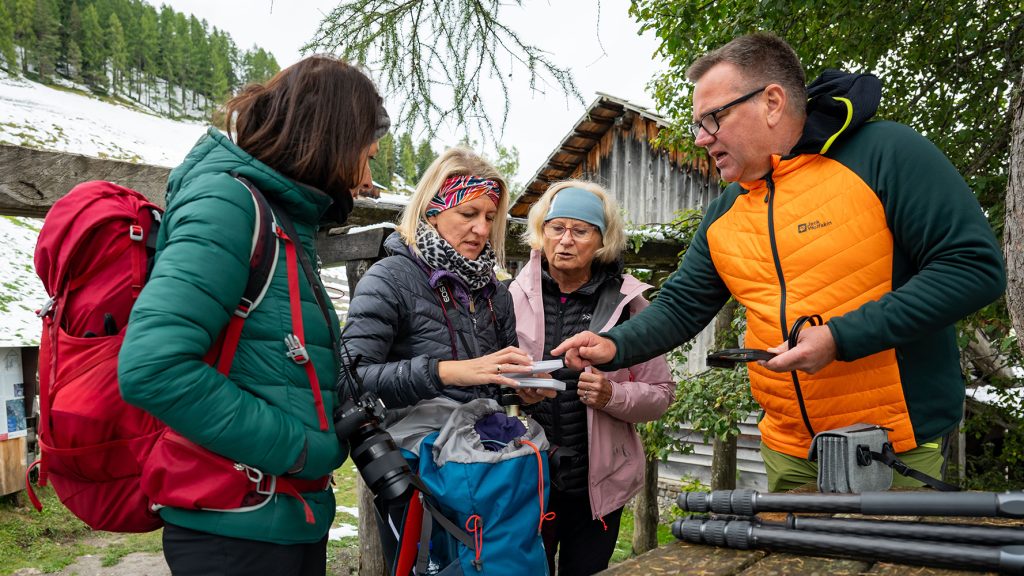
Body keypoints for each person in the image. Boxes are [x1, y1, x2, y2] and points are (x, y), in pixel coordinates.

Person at [553, 32, 1006, 492]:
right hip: (788, 449)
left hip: (894, 447)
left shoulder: (885, 153)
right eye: (698, 124)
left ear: (772, 101)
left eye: (713, 118)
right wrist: (615, 346)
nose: (701, 138)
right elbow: (682, 305)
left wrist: (839, 337)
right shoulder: (727, 209)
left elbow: (972, 267)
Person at [118, 56, 389, 575]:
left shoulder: (278, 214)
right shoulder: (229, 203)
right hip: (235, 529)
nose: (365, 176)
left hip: (275, 516)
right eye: (364, 155)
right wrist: (303, 449)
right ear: (328, 138)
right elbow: (153, 367)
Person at [508, 181, 674, 575]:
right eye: (556, 227)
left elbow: (661, 394)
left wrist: (611, 394)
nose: (565, 241)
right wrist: (516, 388)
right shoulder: (510, 297)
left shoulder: (629, 306)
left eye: (580, 231)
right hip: (529, 480)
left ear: (601, 240)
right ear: (541, 232)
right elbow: (487, 380)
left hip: (598, 488)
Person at [341, 146, 553, 414]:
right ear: (432, 211)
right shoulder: (389, 280)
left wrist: (522, 391)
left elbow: (498, 388)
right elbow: (348, 382)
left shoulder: (496, 294)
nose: (483, 229)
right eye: (468, 214)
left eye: (490, 217)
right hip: (415, 450)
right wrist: (443, 372)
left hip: (479, 447)